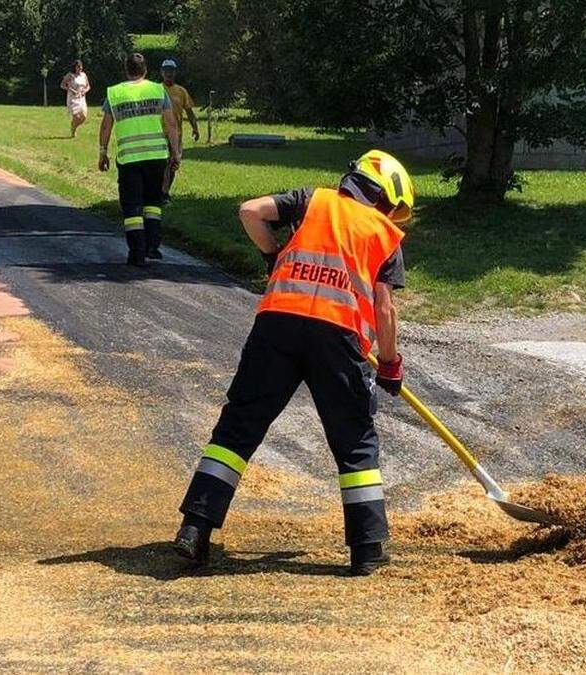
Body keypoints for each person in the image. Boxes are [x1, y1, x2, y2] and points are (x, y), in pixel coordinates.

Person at [172, 150, 415, 576]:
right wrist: (390, 364)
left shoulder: (312, 201)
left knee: (239, 426)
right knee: (354, 439)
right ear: (387, 198)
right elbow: (383, 307)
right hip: (337, 339)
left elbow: (250, 211)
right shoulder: (383, 233)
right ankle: (367, 548)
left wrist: (273, 256)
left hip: (277, 326)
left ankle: (196, 527)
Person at [98, 53, 182, 265]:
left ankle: (137, 252)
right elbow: (171, 124)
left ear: (126, 70)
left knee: (132, 206)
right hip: (156, 156)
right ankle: (153, 247)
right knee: (153, 202)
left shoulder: (115, 93)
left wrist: (102, 151)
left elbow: (107, 124)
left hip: (129, 159)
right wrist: (175, 152)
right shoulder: (157, 89)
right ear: (145, 70)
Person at [158, 59, 199, 203]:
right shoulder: (156, 90)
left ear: (175, 73)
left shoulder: (181, 91)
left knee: (174, 164)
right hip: (160, 132)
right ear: (161, 72)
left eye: (171, 70)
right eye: (166, 70)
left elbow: (189, 111)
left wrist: (195, 128)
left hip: (177, 134)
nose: (168, 73)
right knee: (163, 163)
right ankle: (161, 192)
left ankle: (165, 191)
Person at [60, 60, 91, 138]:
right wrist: (71, 90)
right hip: (73, 98)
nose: (80, 68)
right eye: (78, 67)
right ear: (75, 67)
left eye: (81, 66)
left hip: (81, 98)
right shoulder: (70, 75)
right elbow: (62, 85)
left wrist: (85, 91)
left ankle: (73, 127)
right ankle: (73, 132)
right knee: (76, 116)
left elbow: (88, 86)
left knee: (84, 116)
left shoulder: (84, 75)